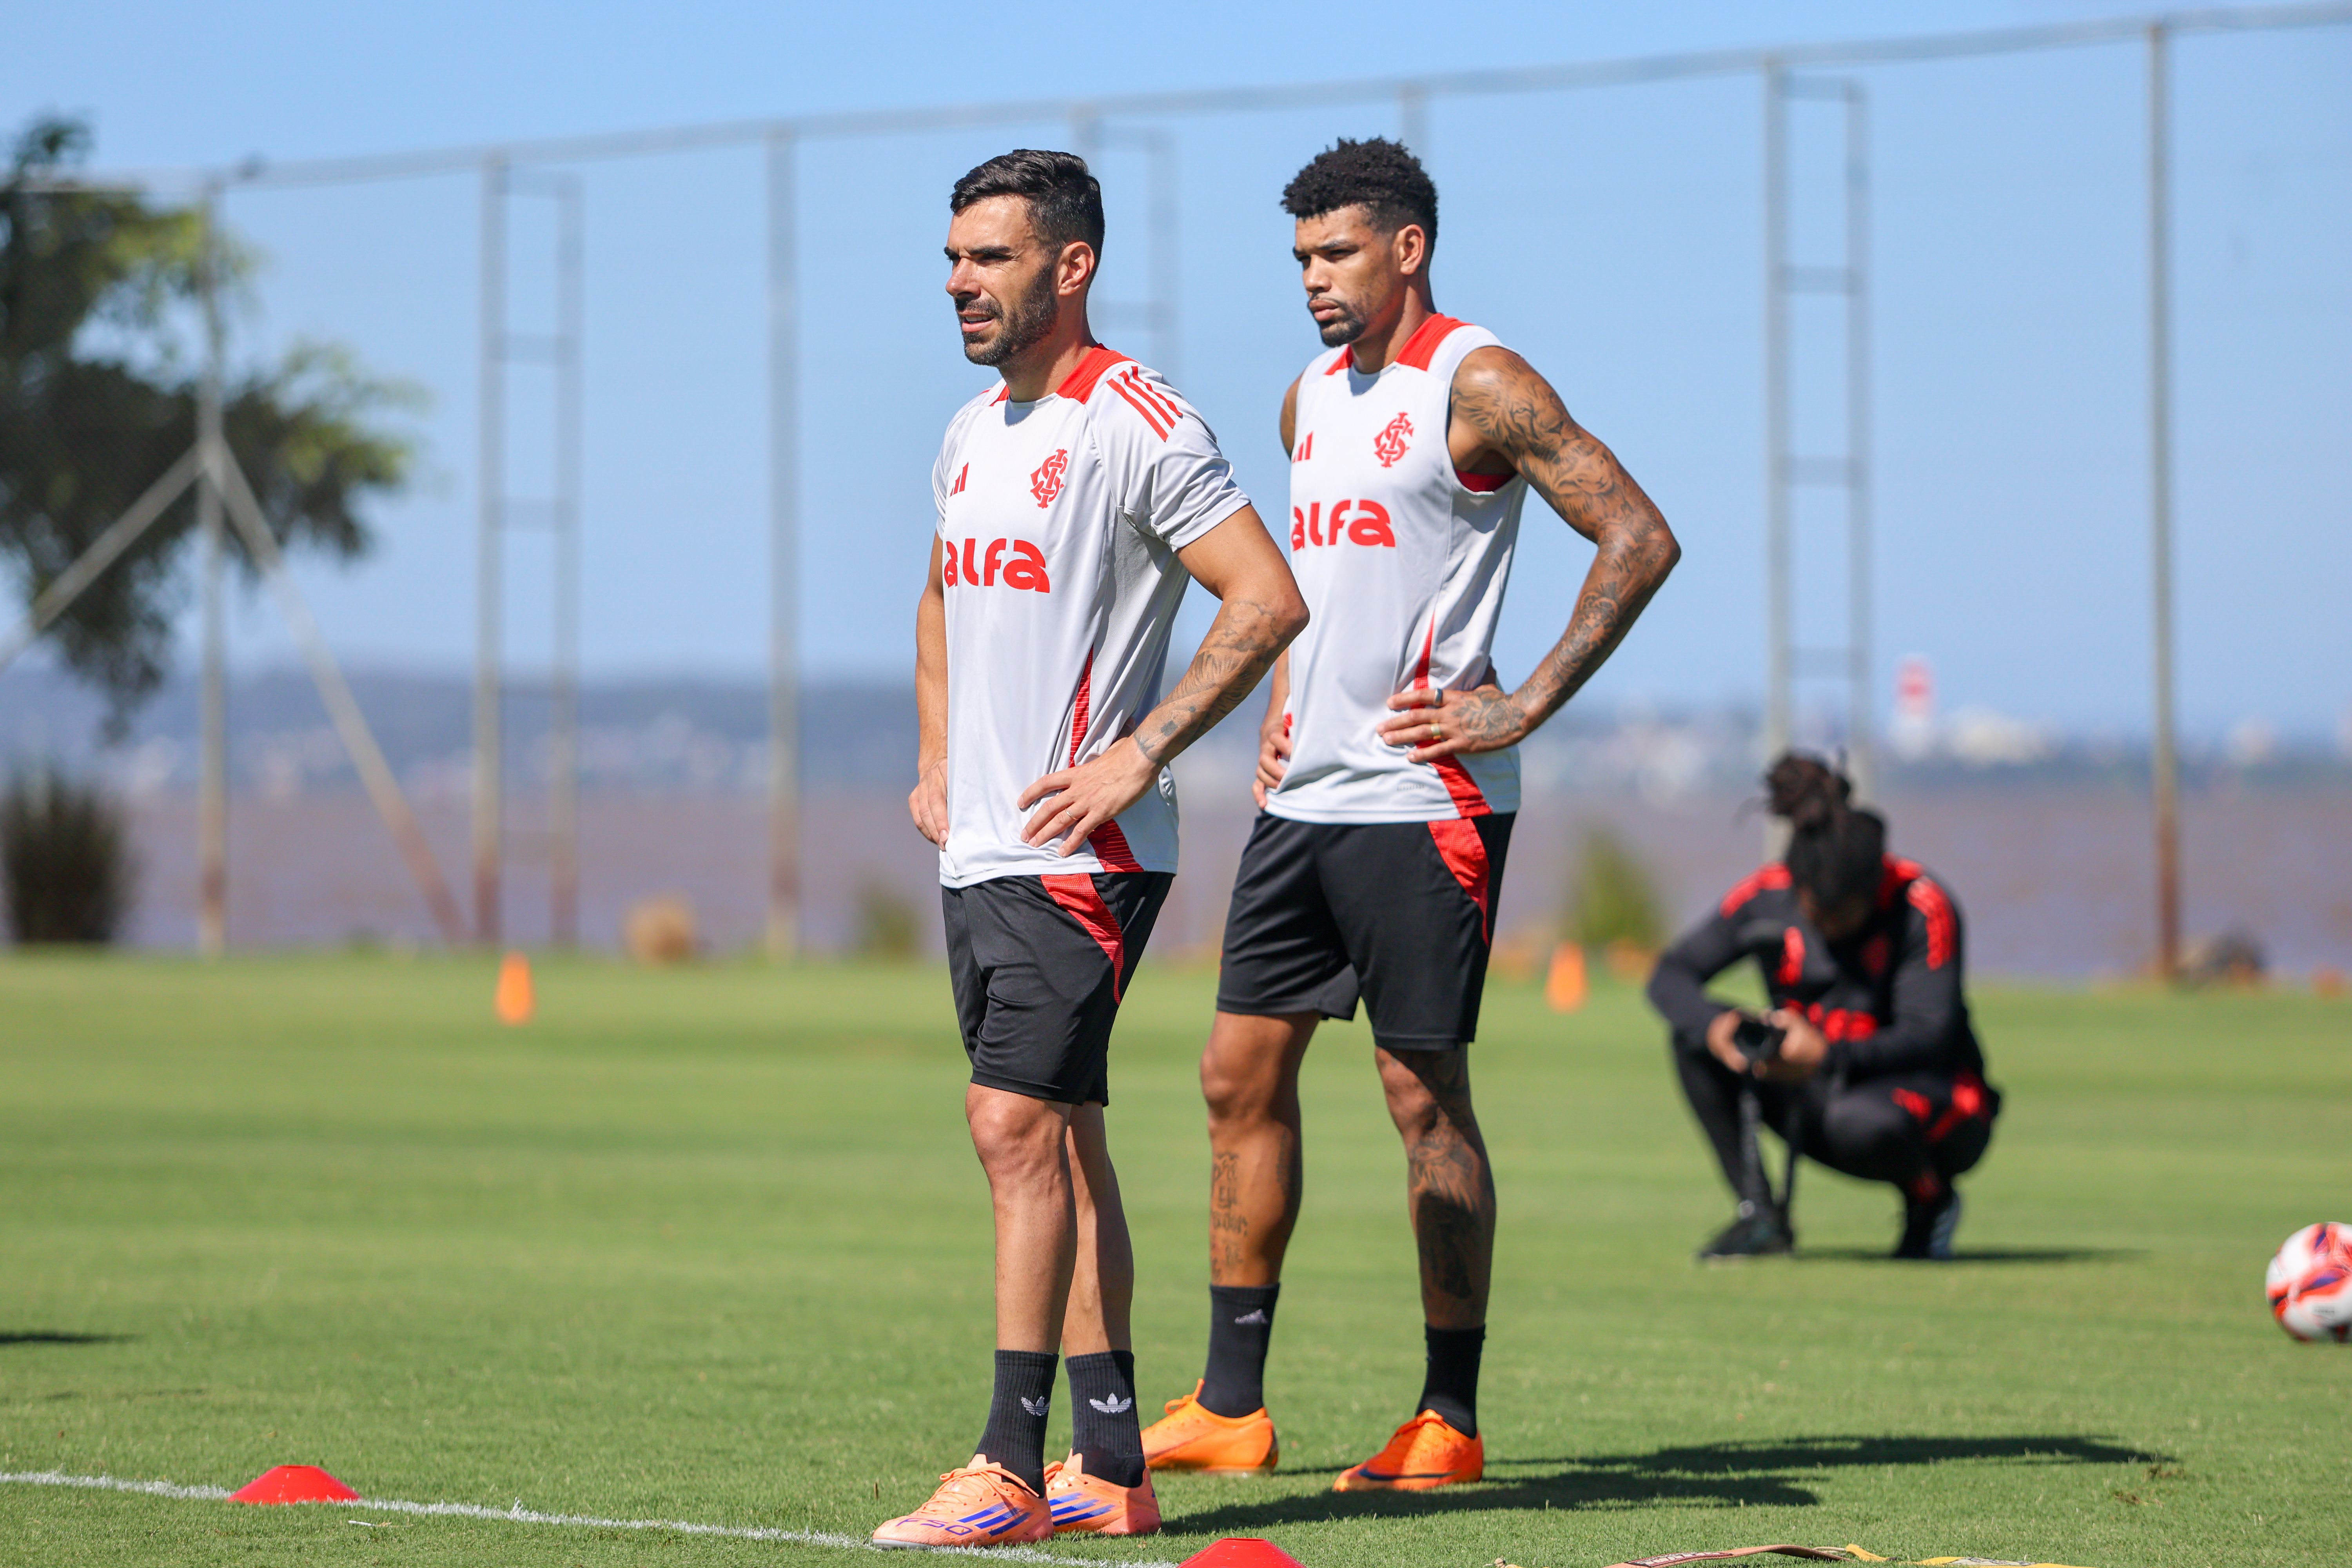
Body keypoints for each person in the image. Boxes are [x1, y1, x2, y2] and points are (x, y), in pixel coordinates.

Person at [1140, 137, 1679, 1493]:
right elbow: (1315, 584)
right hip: (1302, 798)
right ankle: (1231, 1406)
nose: (1314, 280)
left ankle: (1448, 1419)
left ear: (1408, 247)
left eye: (1336, 253)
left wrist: (1527, 701)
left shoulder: (1479, 381)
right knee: (1234, 1075)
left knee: (1419, 1095)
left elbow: (1638, 534)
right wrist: (1283, 701)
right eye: (1301, 259)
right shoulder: (1307, 400)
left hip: (1426, 799)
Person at [872, 150, 1307, 1548]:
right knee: (1056, 1138)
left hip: (1090, 851)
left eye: (989, 258)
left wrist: (1142, 751)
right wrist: (938, 757)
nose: (960, 282)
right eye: (953, 258)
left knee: (1009, 1126)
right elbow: (938, 599)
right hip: (983, 851)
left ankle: (1007, 1466)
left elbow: (1266, 597)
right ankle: (1112, 1467)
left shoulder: (1140, 422)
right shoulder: (967, 432)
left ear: (1071, 267)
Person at [1646, 753, 2003, 1262]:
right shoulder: (1770, 894)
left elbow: (1930, 1035)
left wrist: (1826, 1055)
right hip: (1818, 1089)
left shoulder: (1922, 904)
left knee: (1861, 1122)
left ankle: (1931, 1200)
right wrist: (1717, 1027)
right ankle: (1759, 1216)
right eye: (1816, 913)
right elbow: (1670, 975)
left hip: (1933, 1101)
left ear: (1872, 890)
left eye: (1841, 916)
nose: (1826, 929)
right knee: (1693, 1041)